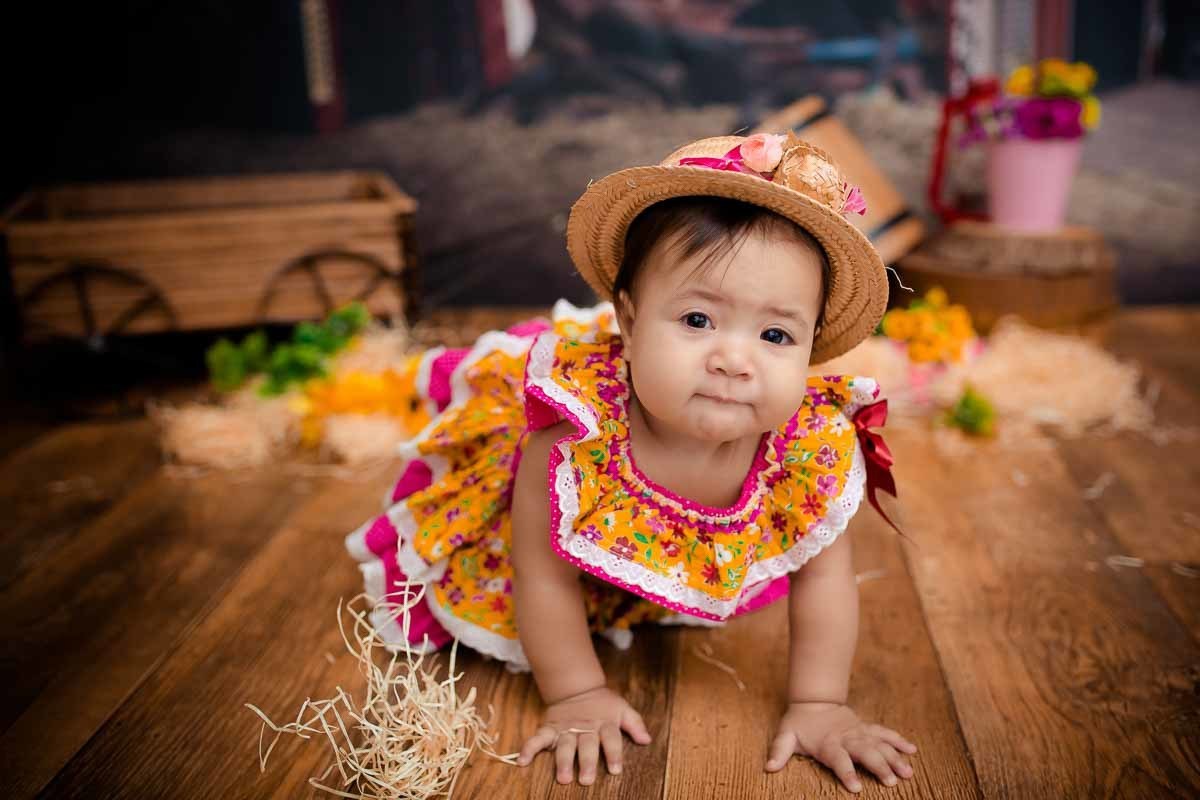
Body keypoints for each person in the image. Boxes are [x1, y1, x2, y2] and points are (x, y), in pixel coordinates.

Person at [345, 132, 917, 791]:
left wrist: (821, 705)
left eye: (775, 334)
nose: (735, 359)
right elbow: (544, 577)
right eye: (698, 319)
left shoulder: (807, 453)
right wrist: (576, 694)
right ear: (628, 319)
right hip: (542, 563)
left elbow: (825, 583)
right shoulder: (571, 439)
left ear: (812, 347)